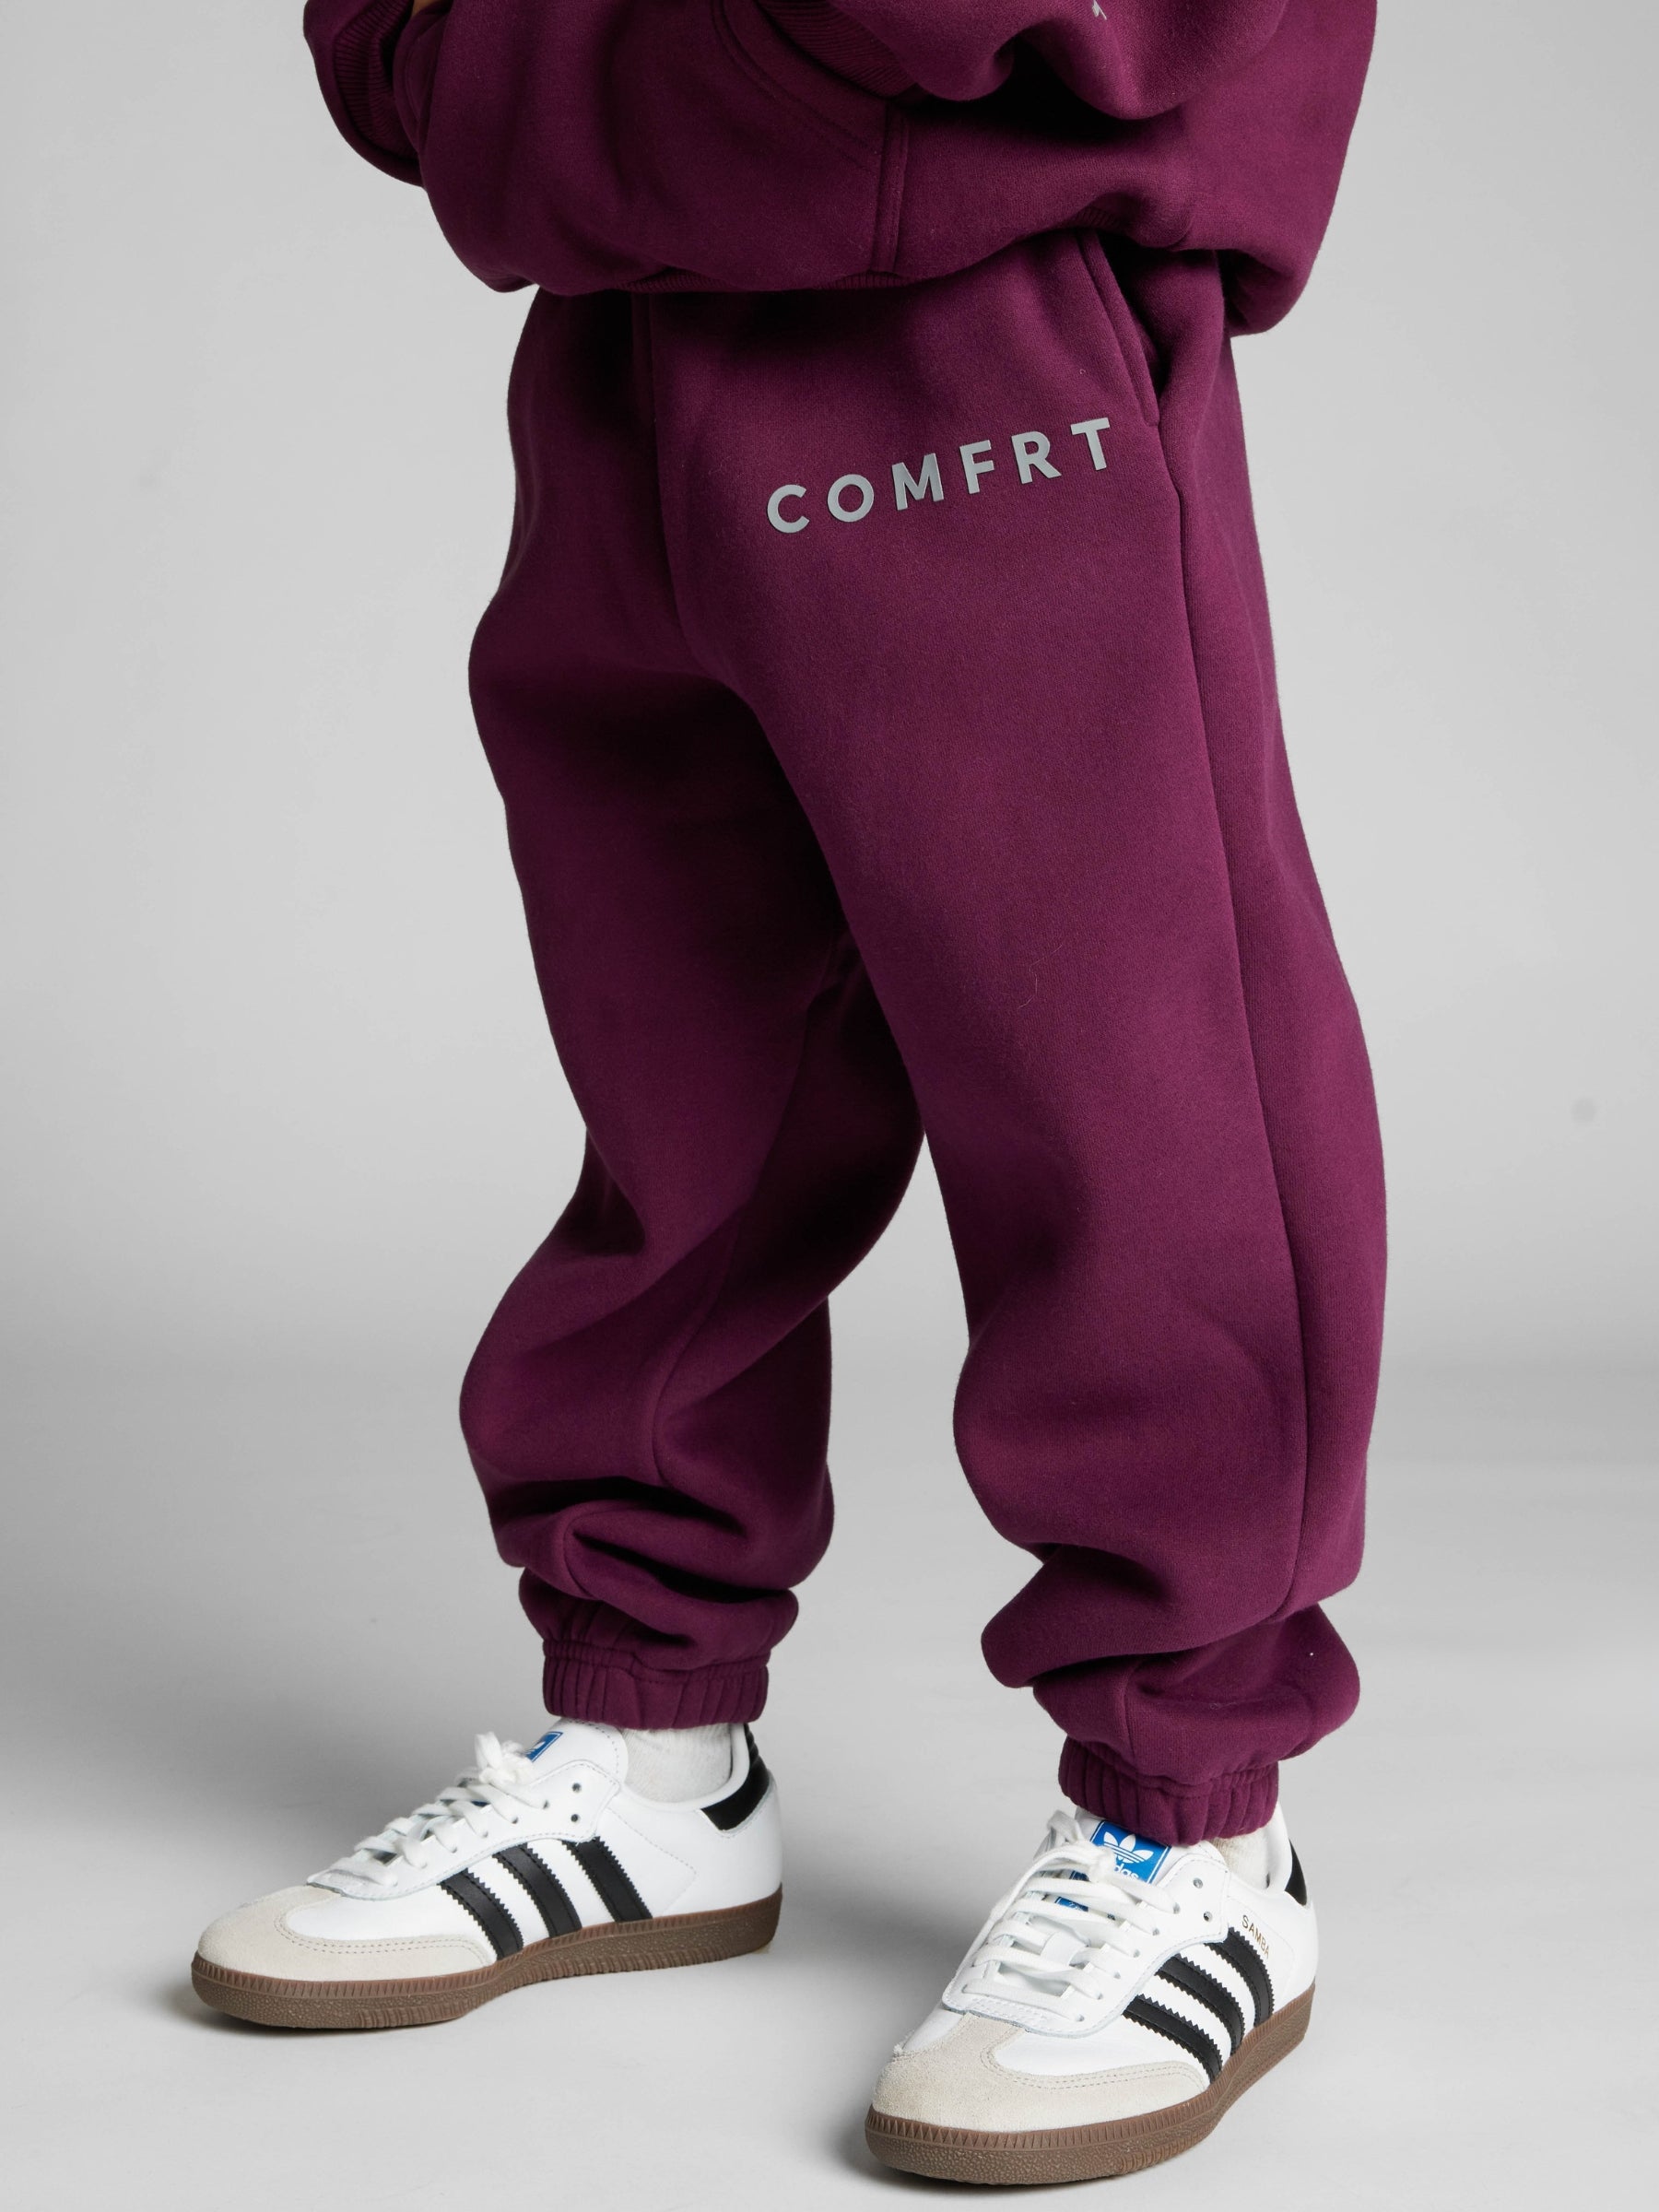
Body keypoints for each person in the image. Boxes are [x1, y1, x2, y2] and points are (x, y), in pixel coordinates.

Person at [192, 1, 1385, 2183]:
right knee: (684, 1091)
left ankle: (1197, 1825)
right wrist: (556, 86)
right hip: (629, 346)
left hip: (981, 324)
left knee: (1135, 1078)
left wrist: (600, 83)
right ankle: (652, 1750)